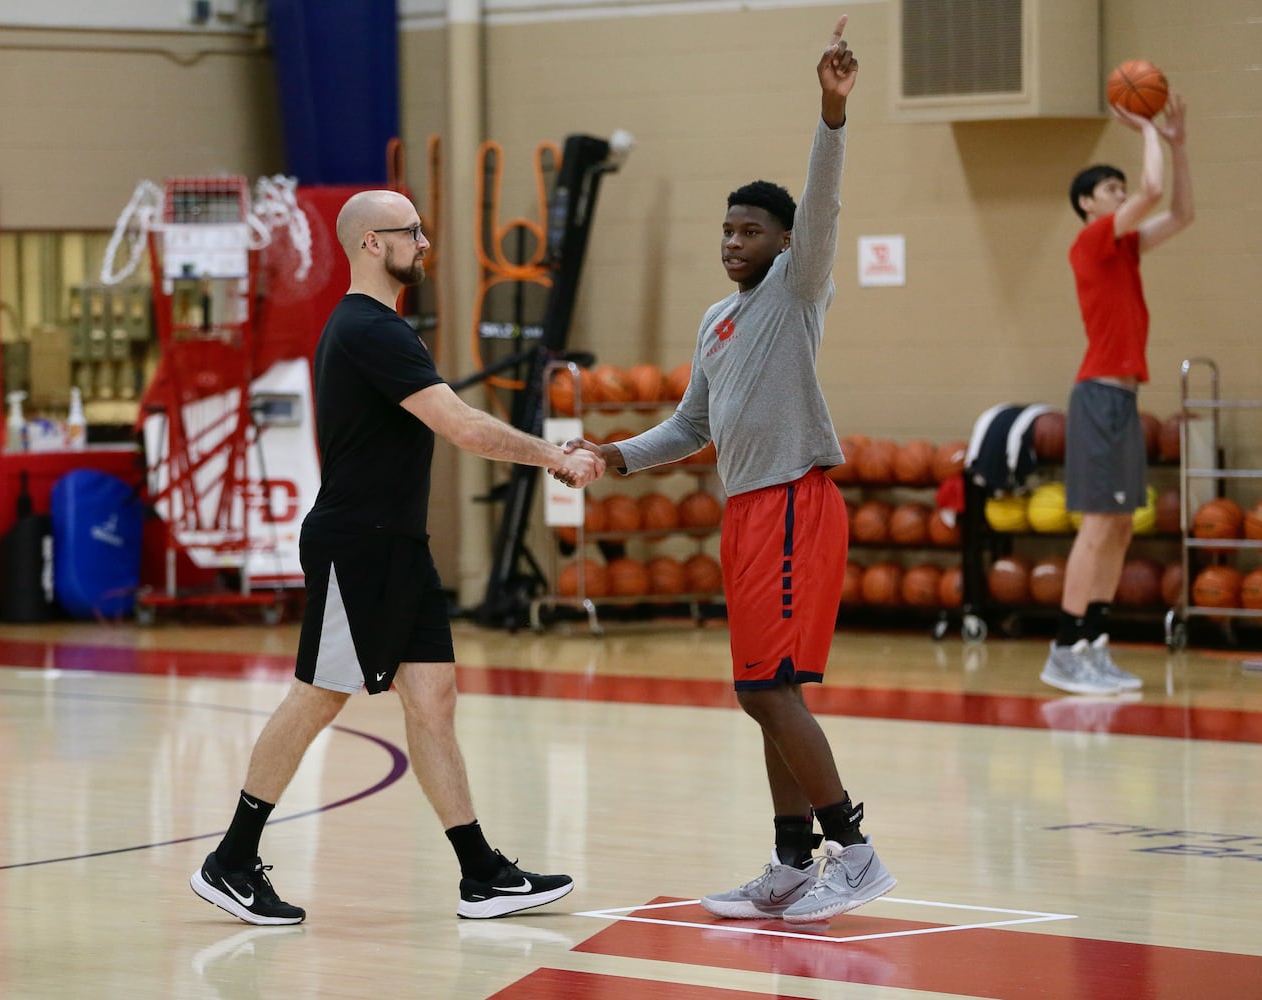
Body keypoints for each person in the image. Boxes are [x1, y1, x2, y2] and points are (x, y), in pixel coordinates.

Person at [188, 188, 605, 926]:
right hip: (359, 545)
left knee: (434, 702)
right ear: (371, 244)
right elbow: (461, 425)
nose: (424, 243)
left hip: (398, 547)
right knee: (320, 693)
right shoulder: (365, 328)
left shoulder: (384, 328)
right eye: (411, 232)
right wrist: (553, 455)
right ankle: (232, 859)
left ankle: (481, 874)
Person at [567, 16, 894, 925]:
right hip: (747, 513)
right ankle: (792, 865)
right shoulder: (718, 319)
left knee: (767, 689)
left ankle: (855, 853)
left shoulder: (796, 290)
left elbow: (822, 208)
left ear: (785, 244)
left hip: (794, 503)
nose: (733, 240)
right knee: (762, 694)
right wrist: (611, 455)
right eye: (726, 229)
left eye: (749, 229)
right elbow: (689, 425)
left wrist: (830, 113)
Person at [1042, 93, 1192, 696]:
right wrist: (1149, 129)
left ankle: (1094, 645)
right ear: (1088, 203)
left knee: (1122, 526)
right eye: (1112, 189)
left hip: (1123, 401)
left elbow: (1180, 213)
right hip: (1098, 398)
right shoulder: (1091, 242)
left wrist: (1178, 145)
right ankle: (1063, 648)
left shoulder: (1125, 248)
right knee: (1099, 526)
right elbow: (1152, 194)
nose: (1123, 195)